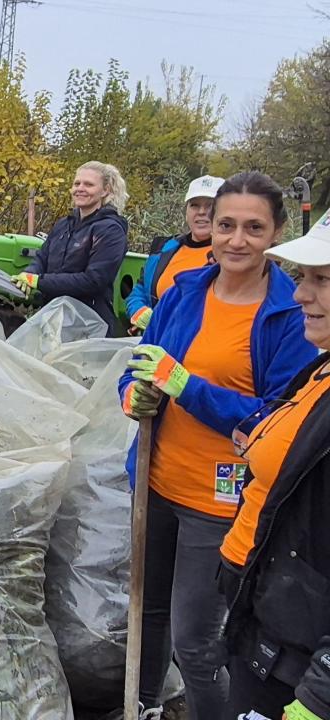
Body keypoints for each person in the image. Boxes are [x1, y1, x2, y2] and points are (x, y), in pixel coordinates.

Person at [118, 171, 317, 719]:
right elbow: (143, 364)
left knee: (199, 642)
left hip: (221, 503)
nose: (236, 239)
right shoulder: (184, 293)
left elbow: (279, 420)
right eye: (226, 224)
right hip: (156, 482)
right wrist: (132, 395)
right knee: (147, 615)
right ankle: (146, 708)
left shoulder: (289, 314)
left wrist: (185, 387)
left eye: (254, 228)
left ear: (275, 234)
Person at [218, 206, 330, 720]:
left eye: (322, 280)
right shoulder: (320, 370)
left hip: (302, 670)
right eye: (304, 277)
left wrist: (317, 698)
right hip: (267, 632)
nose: (302, 293)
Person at [13, 161, 130, 337]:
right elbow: (42, 258)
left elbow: (94, 280)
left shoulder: (110, 231)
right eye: (77, 183)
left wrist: (39, 281)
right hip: (53, 319)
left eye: (89, 184)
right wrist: (28, 274)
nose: (80, 188)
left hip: (87, 326)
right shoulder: (64, 224)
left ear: (105, 191)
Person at [125, 175, 225, 332]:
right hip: (155, 342)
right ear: (186, 211)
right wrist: (139, 311)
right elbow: (139, 290)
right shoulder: (165, 248)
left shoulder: (230, 257)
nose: (201, 212)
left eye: (210, 206)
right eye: (194, 205)